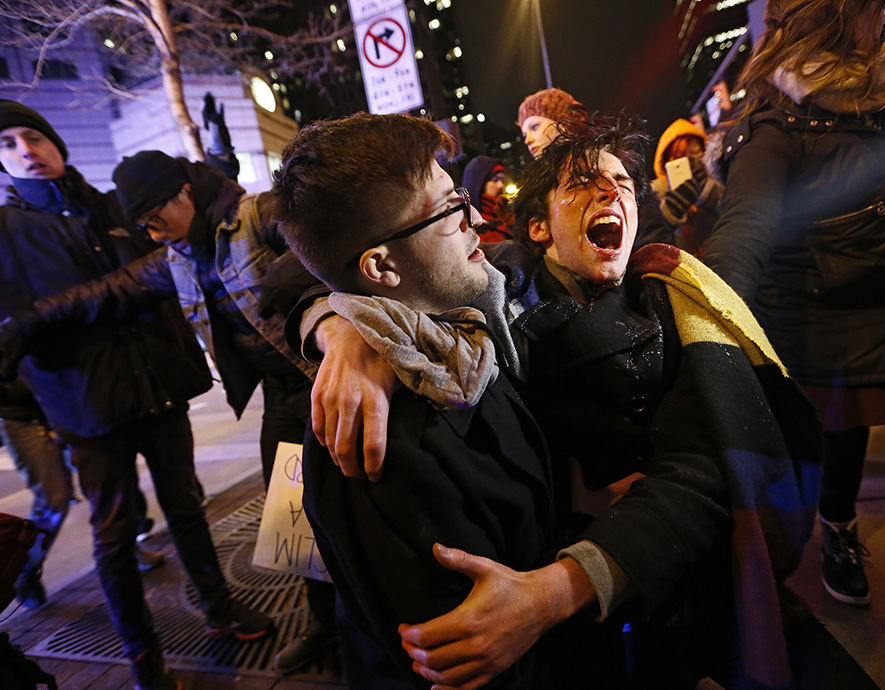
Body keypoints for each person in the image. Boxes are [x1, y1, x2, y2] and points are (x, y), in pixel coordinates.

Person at [298, 115, 821, 689]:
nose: (611, 191)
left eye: (623, 182)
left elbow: (704, 472)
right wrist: (346, 325)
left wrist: (565, 584)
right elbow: (299, 261)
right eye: (582, 183)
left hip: (647, 598)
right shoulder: (489, 294)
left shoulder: (670, 307)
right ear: (539, 228)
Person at [268, 111, 615, 689]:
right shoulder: (381, 441)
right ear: (378, 266)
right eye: (452, 210)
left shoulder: (466, 336)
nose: (478, 218)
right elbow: (469, 658)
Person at [0, 99, 271, 690]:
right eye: (8, 145)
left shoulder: (117, 207)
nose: (26, 151)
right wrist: (12, 389)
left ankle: (219, 609)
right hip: (86, 414)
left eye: (33, 137)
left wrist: (215, 162)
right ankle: (143, 655)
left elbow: (181, 231)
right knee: (114, 537)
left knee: (187, 509)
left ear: (57, 143)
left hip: (161, 391)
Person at [0, 149, 335, 674]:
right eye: (141, 225)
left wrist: (307, 283)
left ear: (184, 194)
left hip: (327, 378)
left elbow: (337, 250)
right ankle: (326, 626)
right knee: (294, 520)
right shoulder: (178, 258)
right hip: (281, 397)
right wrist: (23, 323)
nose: (151, 233)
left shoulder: (260, 216)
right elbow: (105, 292)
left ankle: (374, 617)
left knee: (358, 501)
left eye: (153, 219)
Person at [704, 0, 885, 606]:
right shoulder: (774, 127)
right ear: (836, 21)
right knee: (839, 448)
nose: (883, 18)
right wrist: (706, 331)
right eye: (868, 9)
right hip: (817, 315)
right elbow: (744, 231)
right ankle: (840, 537)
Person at [0, 301, 166, 609]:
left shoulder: (40, 291)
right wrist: (14, 389)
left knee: (110, 480)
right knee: (55, 498)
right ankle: (26, 569)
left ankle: (127, 550)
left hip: (70, 404)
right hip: (23, 417)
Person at [516, 87, 674, 249]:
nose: (528, 140)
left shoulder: (615, 163)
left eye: (534, 127)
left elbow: (651, 232)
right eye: (524, 134)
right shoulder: (539, 185)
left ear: (563, 120)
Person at [651, 118, 723, 258]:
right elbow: (651, 240)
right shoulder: (655, 194)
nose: (690, 163)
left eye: (696, 154)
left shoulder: (717, 181)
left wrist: (708, 193)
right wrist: (670, 213)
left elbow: (732, 213)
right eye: (680, 158)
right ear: (667, 162)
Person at [461, 155, 512, 242]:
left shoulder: (508, 216)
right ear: (477, 185)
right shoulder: (470, 226)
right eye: (495, 180)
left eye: (502, 180)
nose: (501, 185)